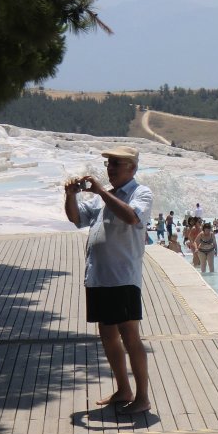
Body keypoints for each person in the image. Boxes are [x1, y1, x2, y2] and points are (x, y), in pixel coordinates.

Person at [64, 145, 152, 414]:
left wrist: (101, 191)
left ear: (132, 168)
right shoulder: (104, 198)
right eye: (108, 164)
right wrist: (69, 195)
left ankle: (142, 397)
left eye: (115, 163)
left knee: (130, 336)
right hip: (99, 277)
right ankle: (123, 389)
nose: (110, 168)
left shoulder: (141, 193)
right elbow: (77, 218)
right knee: (107, 335)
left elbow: (131, 217)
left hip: (122, 277)